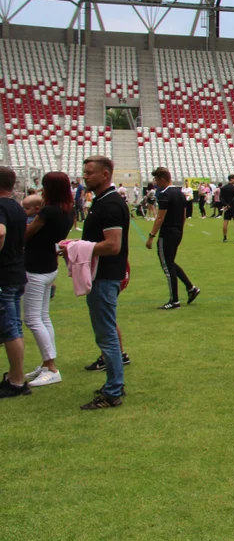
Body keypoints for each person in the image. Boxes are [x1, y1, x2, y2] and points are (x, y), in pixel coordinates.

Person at [68, 156, 130, 409]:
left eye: (90, 172)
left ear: (105, 175)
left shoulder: (111, 204)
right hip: (102, 274)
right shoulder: (102, 201)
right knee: (107, 330)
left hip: (104, 276)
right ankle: (114, 385)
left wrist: (77, 247)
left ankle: (113, 390)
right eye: (85, 172)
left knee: (106, 335)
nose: (85, 176)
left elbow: (113, 245)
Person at [21, 176, 73, 388]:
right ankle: (47, 364)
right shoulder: (67, 209)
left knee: (33, 318)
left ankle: (51, 367)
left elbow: (26, 235)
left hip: (35, 265)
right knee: (42, 316)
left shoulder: (48, 212)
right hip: (49, 265)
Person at [146, 167, 200, 310]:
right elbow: (183, 216)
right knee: (170, 262)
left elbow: (160, 217)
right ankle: (191, 288)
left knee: (167, 266)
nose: (155, 183)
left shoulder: (164, 195)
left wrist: (151, 236)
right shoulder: (179, 193)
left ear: (162, 179)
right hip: (177, 231)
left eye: (156, 180)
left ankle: (174, 300)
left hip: (167, 233)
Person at [0, 166, 28, 398]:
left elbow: (0, 233)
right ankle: (16, 375)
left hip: (5, 274)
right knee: (14, 327)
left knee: (9, 328)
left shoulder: (1, 207)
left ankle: (17, 380)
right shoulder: (17, 207)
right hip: (16, 271)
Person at [220, 174, 234, 243]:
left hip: (226, 207)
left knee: (225, 221)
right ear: (231, 179)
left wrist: (226, 205)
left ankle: (225, 238)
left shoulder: (223, 188)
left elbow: (221, 198)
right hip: (233, 206)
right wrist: (230, 204)